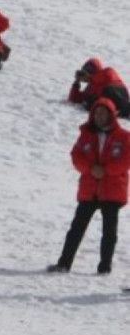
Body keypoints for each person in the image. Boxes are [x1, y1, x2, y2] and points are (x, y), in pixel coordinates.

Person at [47, 98, 130, 275]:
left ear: (111, 115)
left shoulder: (124, 137)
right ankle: (64, 264)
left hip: (112, 189)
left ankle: (104, 268)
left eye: (103, 113)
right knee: (76, 228)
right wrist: (92, 169)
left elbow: (125, 160)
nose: (99, 116)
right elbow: (76, 156)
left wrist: (105, 170)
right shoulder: (86, 134)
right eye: (96, 113)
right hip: (90, 188)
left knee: (109, 232)